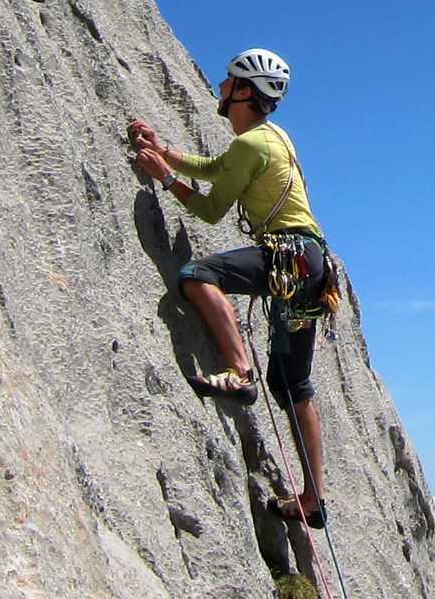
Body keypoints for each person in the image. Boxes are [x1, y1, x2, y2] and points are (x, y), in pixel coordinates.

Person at [130, 48, 330, 529]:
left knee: (197, 276)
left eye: (228, 80)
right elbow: (217, 167)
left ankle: (239, 370)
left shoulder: (252, 144)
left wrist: (165, 176)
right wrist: (166, 152)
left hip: (285, 258)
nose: (220, 86)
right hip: (309, 265)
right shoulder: (270, 138)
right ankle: (312, 499)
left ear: (244, 90)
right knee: (291, 383)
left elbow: (211, 208)